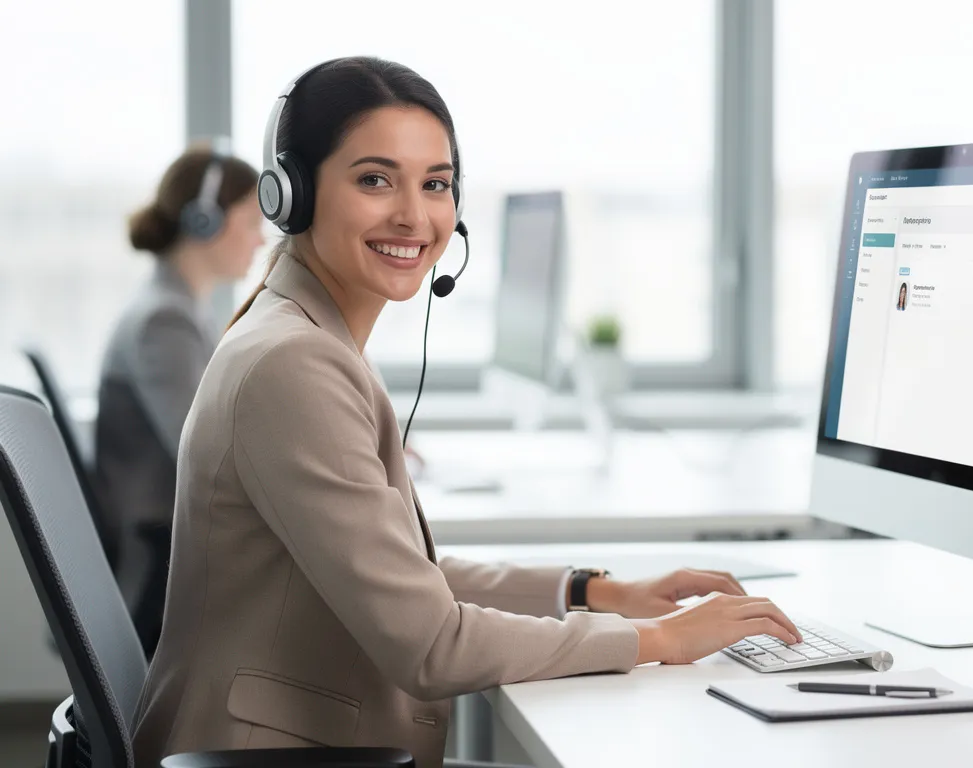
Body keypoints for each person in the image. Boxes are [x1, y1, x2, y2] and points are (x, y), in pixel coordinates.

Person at [131, 57, 799, 768]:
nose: (414, 216)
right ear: (291, 195)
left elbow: (405, 579)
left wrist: (596, 591)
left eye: (436, 185)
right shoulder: (293, 365)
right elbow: (431, 643)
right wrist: (660, 641)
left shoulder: (302, 334)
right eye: (374, 179)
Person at [98, 146, 263, 657]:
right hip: (160, 556)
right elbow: (207, 453)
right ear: (204, 220)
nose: (261, 238)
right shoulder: (163, 321)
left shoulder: (182, 310)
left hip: (173, 542)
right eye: (252, 220)